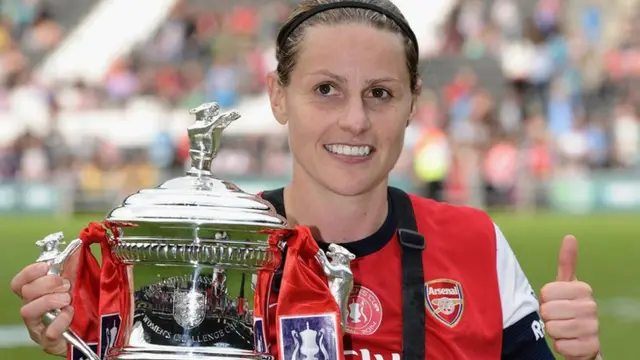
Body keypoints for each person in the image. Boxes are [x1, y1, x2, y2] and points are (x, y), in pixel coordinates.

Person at [10, 0, 602, 359]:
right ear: (278, 98)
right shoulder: (208, 249)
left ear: (413, 103)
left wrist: (583, 357)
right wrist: (85, 344)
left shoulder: (476, 244)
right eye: (326, 89)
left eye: (381, 93)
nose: (355, 119)